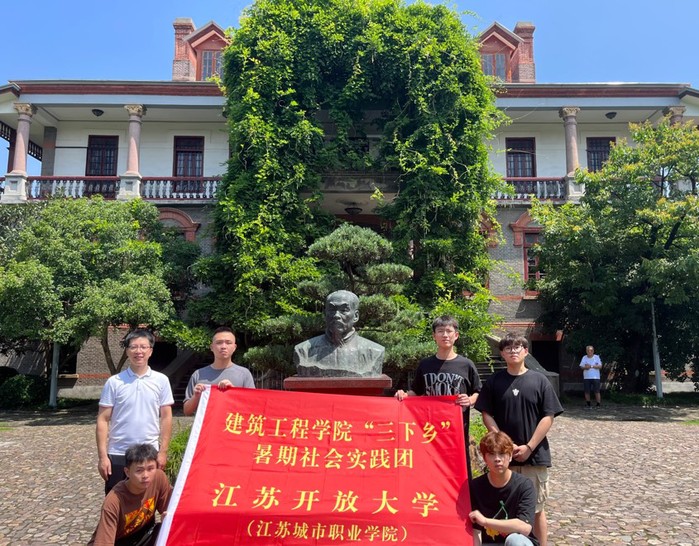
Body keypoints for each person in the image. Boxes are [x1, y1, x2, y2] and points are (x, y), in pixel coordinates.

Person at [474, 333, 563, 546]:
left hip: (535, 455)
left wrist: (529, 446)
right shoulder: (494, 381)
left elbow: (548, 416)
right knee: (506, 505)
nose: (513, 351)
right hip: (503, 456)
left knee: (537, 509)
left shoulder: (540, 380)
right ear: (502, 353)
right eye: (508, 348)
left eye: (517, 347)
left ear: (526, 351)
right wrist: (504, 444)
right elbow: (486, 413)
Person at [395, 316, 481, 478]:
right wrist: (403, 395)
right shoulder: (425, 364)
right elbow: (416, 392)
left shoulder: (466, 364)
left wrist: (470, 400)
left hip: (456, 430)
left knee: (458, 470)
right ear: (434, 336)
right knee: (430, 470)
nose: (445, 335)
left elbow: (478, 391)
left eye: (449, 331)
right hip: (429, 430)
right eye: (440, 331)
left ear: (456, 335)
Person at [96, 329, 174, 495]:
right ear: (127, 351)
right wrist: (103, 457)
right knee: (116, 500)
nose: (139, 351)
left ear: (150, 351)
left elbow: (166, 417)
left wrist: (163, 451)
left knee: (148, 502)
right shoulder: (114, 382)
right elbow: (103, 420)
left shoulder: (161, 380)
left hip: (149, 452)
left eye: (143, 347)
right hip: (118, 453)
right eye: (134, 347)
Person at [457, 431, 539, 546]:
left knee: (516, 540)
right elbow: (474, 530)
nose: (497, 459)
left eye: (502, 453)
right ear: (484, 458)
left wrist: (485, 521)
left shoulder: (524, 485)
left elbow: (524, 527)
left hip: (516, 541)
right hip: (486, 543)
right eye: (491, 454)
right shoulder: (475, 486)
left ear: (510, 456)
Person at [88, 443, 173, 546]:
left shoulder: (159, 478)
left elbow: (171, 511)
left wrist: (169, 518)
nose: (145, 475)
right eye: (139, 470)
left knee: (169, 532)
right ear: (127, 472)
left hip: (143, 535)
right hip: (118, 541)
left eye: (150, 469)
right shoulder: (114, 501)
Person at [294, 290, 385, 377]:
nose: (336, 315)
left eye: (343, 310)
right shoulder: (304, 351)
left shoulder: (374, 352)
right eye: (332, 310)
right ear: (325, 314)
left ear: (356, 316)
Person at [183, 326, 256, 416]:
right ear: (212, 347)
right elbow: (187, 411)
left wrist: (233, 392)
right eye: (219, 343)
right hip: (207, 424)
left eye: (228, 343)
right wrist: (196, 396)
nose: (223, 346)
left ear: (234, 347)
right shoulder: (198, 374)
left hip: (233, 424)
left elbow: (253, 407)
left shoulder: (244, 374)